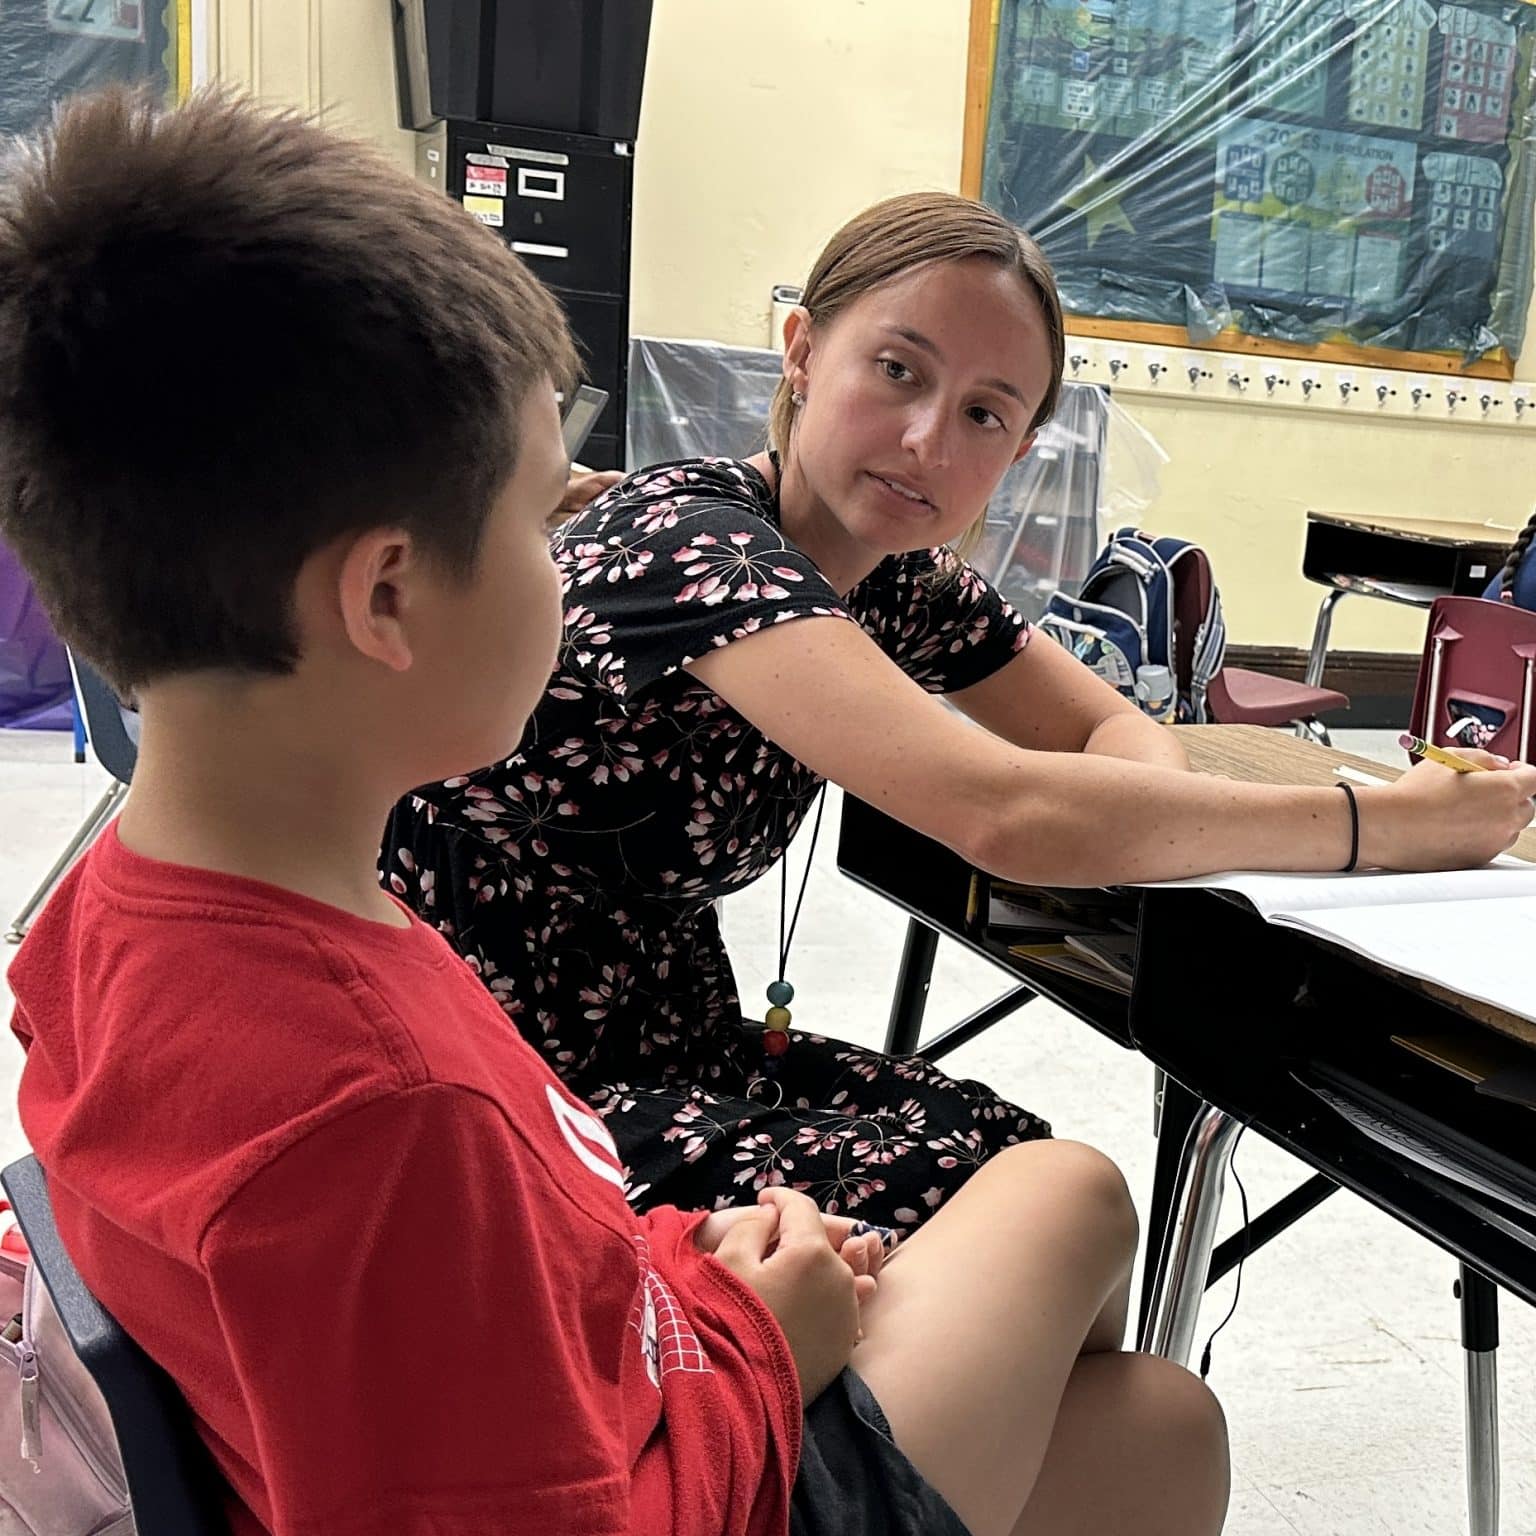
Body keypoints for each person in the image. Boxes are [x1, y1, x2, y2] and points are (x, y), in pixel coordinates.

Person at [0, 88, 1232, 1536]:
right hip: (692, 1468)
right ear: (390, 595)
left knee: (1159, 1424)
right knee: (1070, 1202)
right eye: (548, 517)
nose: (587, 552)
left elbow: (542, 1249)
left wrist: (698, 1268)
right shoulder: (393, 1104)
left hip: (633, 1328)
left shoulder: (128, 916)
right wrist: (765, 1347)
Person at [384, 191, 1536, 1232]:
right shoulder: (690, 540)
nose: (930, 438)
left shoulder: (897, 581)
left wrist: (1132, 797)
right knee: (1031, 1220)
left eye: (987, 414)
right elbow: (1005, 811)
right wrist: (1376, 825)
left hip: (664, 1044)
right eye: (897, 371)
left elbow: (1107, 735)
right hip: (494, 1091)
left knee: (1026, 1180)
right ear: (801, 351)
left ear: (1024, 449)